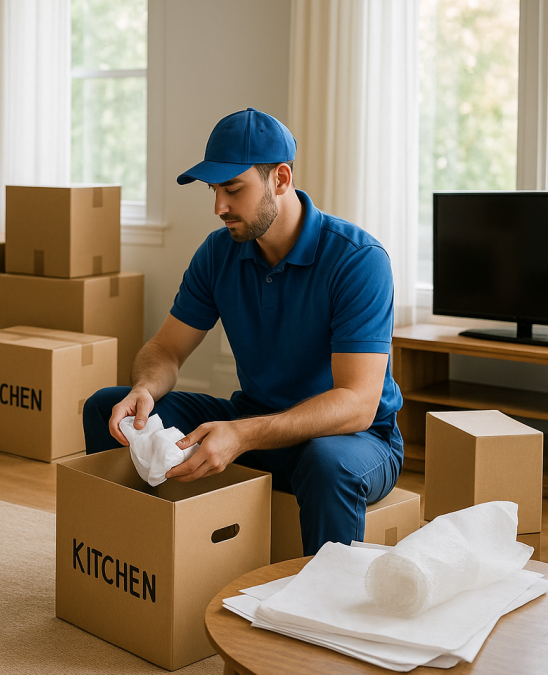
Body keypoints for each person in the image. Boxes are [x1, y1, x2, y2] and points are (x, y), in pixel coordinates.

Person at [83, 108, 403, 556]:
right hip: (254, 422)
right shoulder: (219, 254)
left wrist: (245, 434)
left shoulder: (358, 259)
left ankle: (325, 610)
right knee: (106, 408)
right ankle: (129, 561)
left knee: (327, 463)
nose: (219, 207)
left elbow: (358, 404)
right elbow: (166, 350)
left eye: (233, 189)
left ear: (281, 179)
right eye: (214, 190)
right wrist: (145, 388)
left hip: (354, 441)